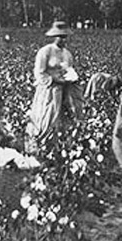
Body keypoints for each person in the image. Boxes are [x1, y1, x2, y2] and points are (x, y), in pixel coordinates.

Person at [25, 21, 83, 153]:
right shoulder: (45, 51)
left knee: (64, 118)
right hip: (48, 90)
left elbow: (69, 70)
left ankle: (57, 150)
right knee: (46, 118)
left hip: (64, 90)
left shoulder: (67, 54)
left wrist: (70, 77)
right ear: (54, 36)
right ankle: (39, 148)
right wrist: (54, 79)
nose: (63, 39)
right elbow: (39, 72)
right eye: (60, 36)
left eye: (64, 37)